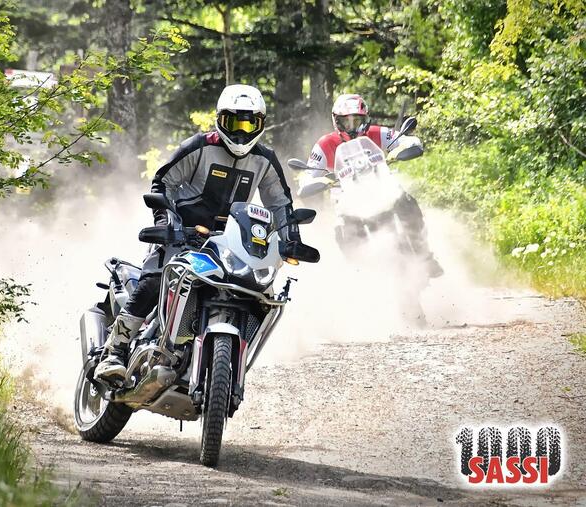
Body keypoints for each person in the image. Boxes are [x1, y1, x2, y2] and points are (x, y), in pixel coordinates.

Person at [95, 84, 311, 382]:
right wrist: (166, 222)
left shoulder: (265, 159)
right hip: (183, 235)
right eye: (233, 122)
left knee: (258, 292)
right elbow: (163, 183)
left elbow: (280, 204)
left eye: (250, 123)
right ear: (219, 119)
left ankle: (214, 356)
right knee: (156, 279)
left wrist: (290, 240)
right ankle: (114, 352)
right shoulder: (199, 146)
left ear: (261, 123)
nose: (241, 131)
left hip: (229, 244)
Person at [300, 93, 442, 277]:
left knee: (408, 201)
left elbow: (407, 139)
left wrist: (400, 150)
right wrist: (320, 180)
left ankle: (425, 255)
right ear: (337, 121)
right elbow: (308, 174)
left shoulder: (376, 132)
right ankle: (358, 275)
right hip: (346, 198)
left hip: (382, 186)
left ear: (365, 119)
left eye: (357, 121)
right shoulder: (324, 144)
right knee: (340, 232)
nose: (352, 127)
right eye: (347, 122)